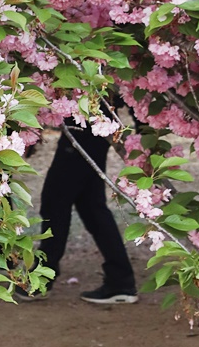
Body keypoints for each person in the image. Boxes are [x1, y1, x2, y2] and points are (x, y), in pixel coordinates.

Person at [37, 120, 138, 304]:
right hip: (90, 126)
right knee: (91, 205)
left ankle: (41, 277)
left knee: (56, 201)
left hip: (86, 125)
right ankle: (120, 279)